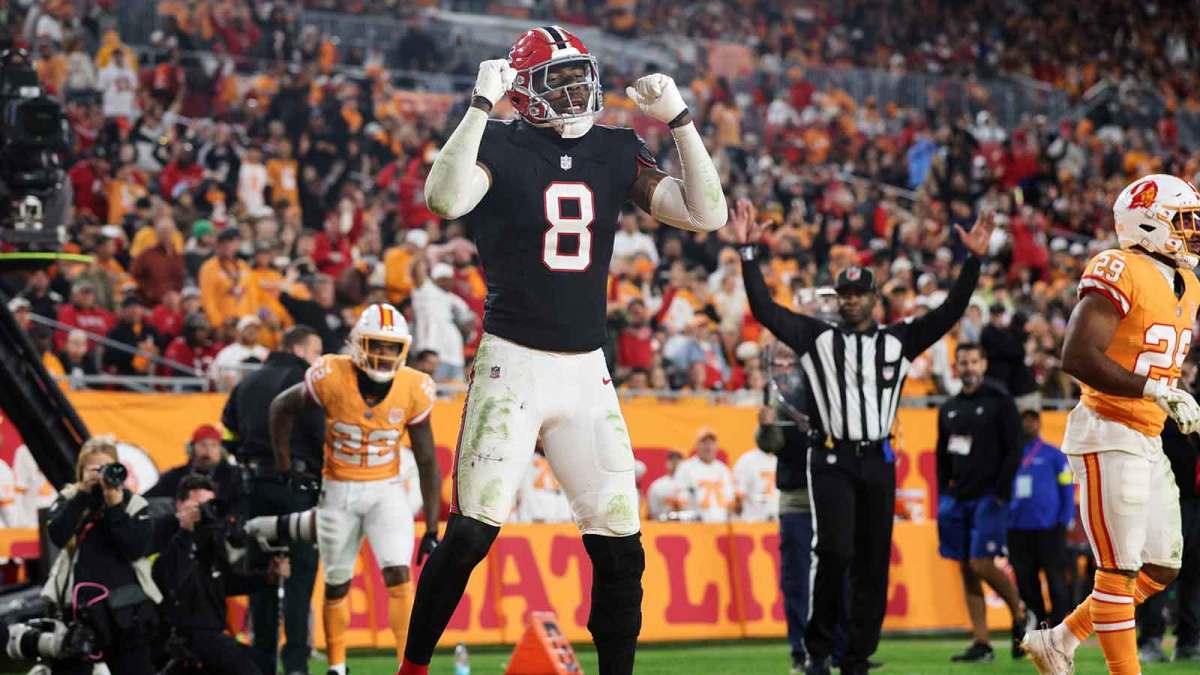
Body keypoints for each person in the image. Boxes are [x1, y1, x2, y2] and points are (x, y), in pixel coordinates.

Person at [402, 24, 726, 675]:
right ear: (523, 94)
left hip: (585, 371)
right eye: (559, 78)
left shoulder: (613, 147)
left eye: (580, 73)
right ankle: (413, 668)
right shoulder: (497, 138)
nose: (577, 87)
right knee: (472, 530)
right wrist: (475, 107)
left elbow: (706, 214)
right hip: (512, 361)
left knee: (620, 545)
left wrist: (681, 122)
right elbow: (442, 198)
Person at [733, 198, 992, 675]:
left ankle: (856, 656)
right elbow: (765, 310)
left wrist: (974, 261)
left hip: (878, 460)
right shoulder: (816, 338)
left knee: (872, 562)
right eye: (844, 294)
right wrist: (748, 253)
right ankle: (818, 651)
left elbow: (950, 312)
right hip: (830, 459)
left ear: (874, 300)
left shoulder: (898, 340)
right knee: (834, 552)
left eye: (858, 294)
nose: (850, 300)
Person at [1024, 175, 1200, 675]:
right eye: (1185, 220)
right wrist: (1154, 389)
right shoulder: (1119, 265)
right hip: (1107, 428)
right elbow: (1076, 354)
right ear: (1148, 221)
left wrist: (1165, 393)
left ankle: (1060, 639)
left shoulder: (1187, 283)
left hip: (1147, 434)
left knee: (1162, 565)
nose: (1194, 231)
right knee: (1117, 570)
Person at [270, 304, 441, 675]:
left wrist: (431, 527)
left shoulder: (414, 386)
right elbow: (280, 408)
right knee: (336, 583)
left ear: (404, 349)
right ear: (360, 344)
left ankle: (407, 667)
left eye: (391, 347)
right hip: (338, 490)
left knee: (399, 574)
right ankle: (337, 666)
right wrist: (283, 466)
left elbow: (427, 460)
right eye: (376, 345)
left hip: (386, 489)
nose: (383, 354)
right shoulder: (331, 374)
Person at [221, 325, 324, 675]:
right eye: (316, 352)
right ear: (299, 350)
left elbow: (228, 425)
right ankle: (295, 665)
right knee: (298, 580)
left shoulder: (248, 382)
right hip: (297, 488)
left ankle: (261, 663)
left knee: (261, 579)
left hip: (254, 489)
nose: (318, 359)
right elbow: (319, 435)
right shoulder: (306, 383)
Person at [935, 343, 1031, 662]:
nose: (968, 368)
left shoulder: (1000, 402)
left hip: (990, 496)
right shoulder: (948, 407)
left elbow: (1014, 448)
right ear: (956, 367)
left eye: (974, 361)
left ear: (984, 364)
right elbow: (941, 456)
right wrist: (944, 493)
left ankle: (1019, 613)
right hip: (957, 498)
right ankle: (982, 642)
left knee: (982, 564)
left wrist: (1002, 492)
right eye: (963, 363)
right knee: (966, 568)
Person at [42, 436, 160, 675]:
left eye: (107, 467)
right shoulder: (69, 499)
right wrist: (84, 495)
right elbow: (58, 536)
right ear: (81, 471)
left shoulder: (134, 504)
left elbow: (136, 549)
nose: (101, 474)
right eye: (94, 468)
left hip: (125, 606)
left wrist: (115, 505)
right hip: (76, 606)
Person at [152, 474, 289, 675]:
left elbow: (225, 583)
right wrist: (185, 532)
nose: (205, 511)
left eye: (210, 505)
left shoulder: (211, 539)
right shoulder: (166, 534)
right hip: (183, 635)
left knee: (265, 664)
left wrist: (267, 577)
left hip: (213, 634)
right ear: (180, 505)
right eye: (198, 505)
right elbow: (172, 582)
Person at [755, 341, 820, 673]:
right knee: (796, 579)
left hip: (830, 494)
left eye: (789, 360)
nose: (784, 366)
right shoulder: (778, 399)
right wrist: (766, 426)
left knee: (838, 573)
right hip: (796, 496)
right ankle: (800, 650)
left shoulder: (823, 390)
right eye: (779, 360)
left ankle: (837, 648)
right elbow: (770, 445)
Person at [1137, 370, 1200, 662]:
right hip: (1169, 496)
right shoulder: (1162, 409)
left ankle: (1189, 640)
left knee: (1195, 574)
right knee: (1161, 569)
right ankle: (1150, 639)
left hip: (1195, 500)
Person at [1008, 410, 1073, 630]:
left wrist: (1064, 519)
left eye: (1032, 421)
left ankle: (1059, 629)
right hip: (1018, 528)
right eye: (1024, 421)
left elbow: (1067, 487)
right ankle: (1034, 630)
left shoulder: (1053, 455)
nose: (1028, 425)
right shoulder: (1011, 455)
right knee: (1026, 584)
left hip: (1049, 528)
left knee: (1056, 581)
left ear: (1039, 423)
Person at [145, 424, 241, 509]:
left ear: (221, 450)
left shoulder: (233, 476)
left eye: (214, 445)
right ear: (192, 449)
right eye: (203, 445)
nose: (208, 450)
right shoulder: (176, 476)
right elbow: (147, 500)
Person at [675, 427, 735, 523]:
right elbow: (680, 501)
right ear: (696, 446)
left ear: (716, 446)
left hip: (720, 525)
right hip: (696, 526)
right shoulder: (686, 468)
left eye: (711, 443)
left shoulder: (723, 470)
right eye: (704, 442)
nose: (708, 447)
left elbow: (730, 501)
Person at [645, 450, 686, 521]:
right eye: (672, 460)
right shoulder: (657, 485)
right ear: (666, 463)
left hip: (688, 524)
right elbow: (652, 511)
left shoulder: (690, 484)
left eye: (678, 460)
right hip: (664, 523)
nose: (675, 463)